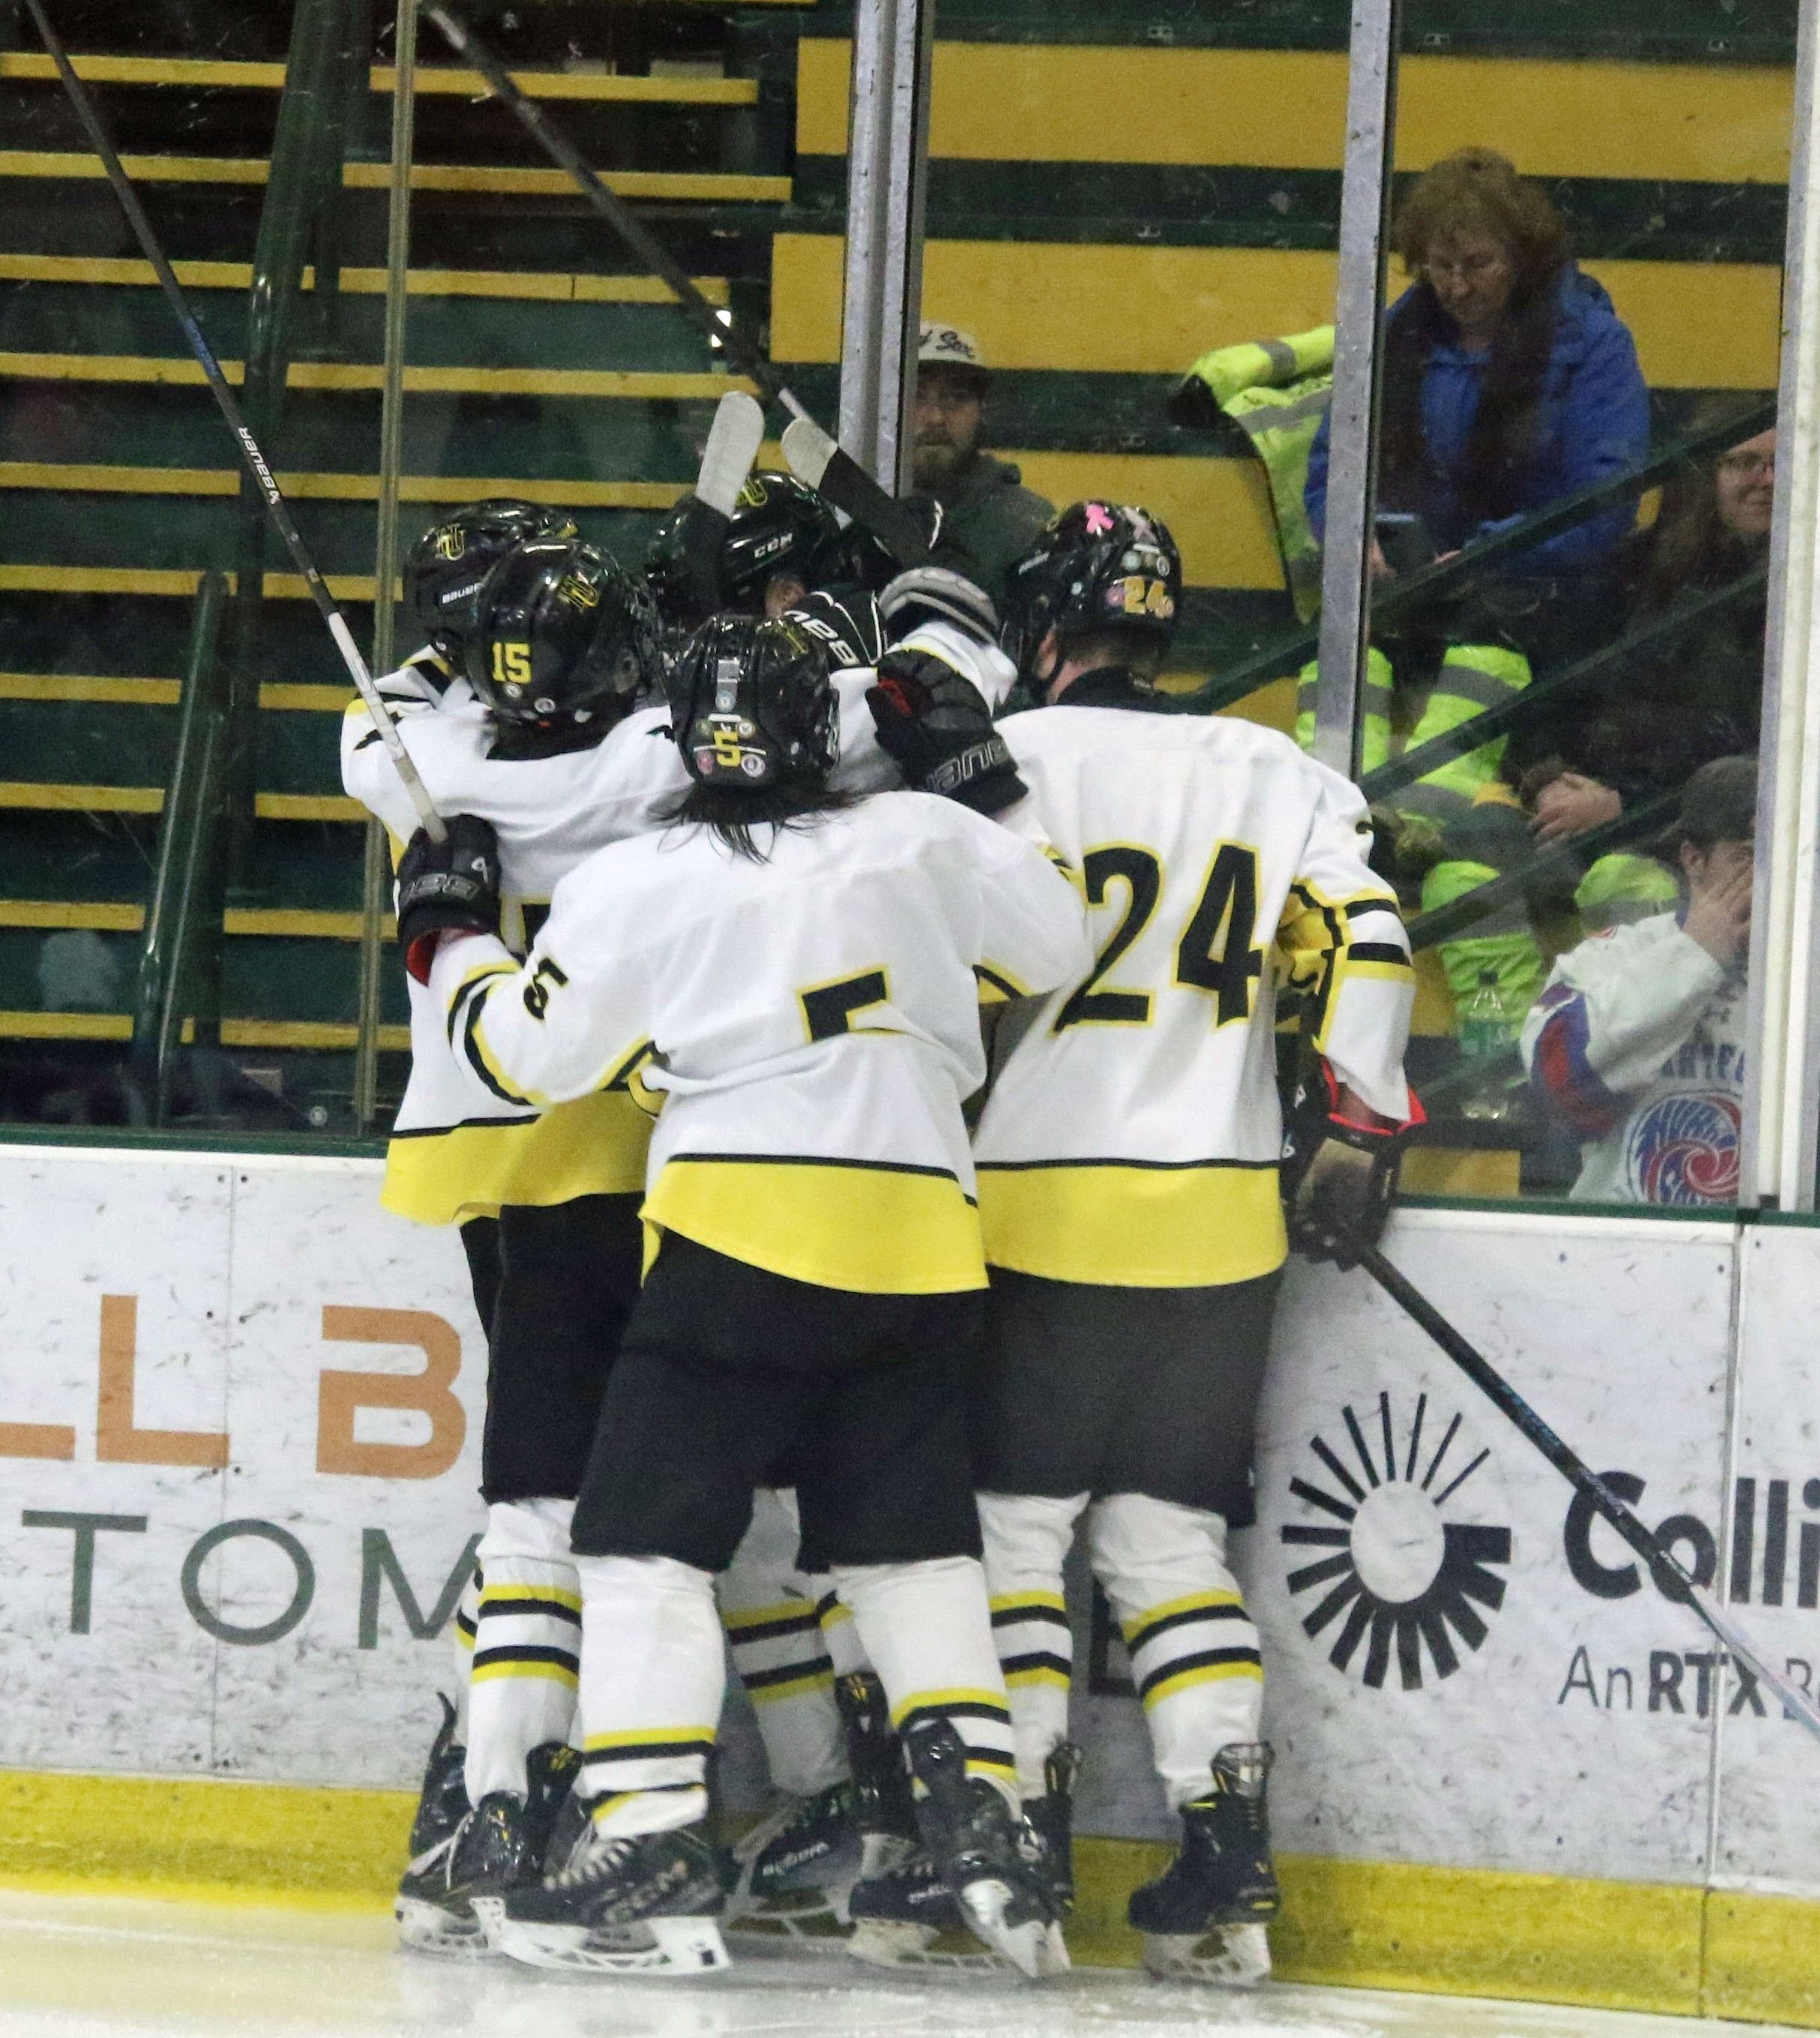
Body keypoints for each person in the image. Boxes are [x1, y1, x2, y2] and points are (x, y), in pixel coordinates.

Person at [407, 613, 1091, 1977]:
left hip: (741, 1230)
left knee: (640, 1546)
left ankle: (651, 1827)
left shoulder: (636, 875)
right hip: (921, 1231)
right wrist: (967, 768)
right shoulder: (916, 835)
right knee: (907, 1544)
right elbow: (1059, 939)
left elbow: (531, 1062)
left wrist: (454, 937)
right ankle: (982, 1815)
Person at [917, 501, 1417, 1986]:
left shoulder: (999, 766)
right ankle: (1224, 1863)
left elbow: (950, 978)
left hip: (1036, 1206)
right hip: (1216, 1213)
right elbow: (1373, 939)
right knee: (1169, 1541)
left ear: (1047, 630)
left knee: (1015, 1532)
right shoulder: (1270, 767)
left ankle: (1020, 1856)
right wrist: (1366, 1123)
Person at [1302, 148, 1651, 1026]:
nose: (1457, 287)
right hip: (1411, 585)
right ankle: (1321, 808)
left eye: (1478, 265)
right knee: (1343, 641)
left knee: (1485, 637)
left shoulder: (1592, 342)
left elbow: (1608, 501)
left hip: (1538, 589)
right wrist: (1359, 540)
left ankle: (1416, 819)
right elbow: (1328, 469)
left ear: (1524, 256)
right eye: (1440, 268)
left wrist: (1497, 553)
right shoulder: (1392, 336)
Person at [1524, 407, 1773, 921]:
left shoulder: (1796, 598)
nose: (1764, 481)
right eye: (1744, 462)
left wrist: (1624, 808)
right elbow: (1569, 692)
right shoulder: (1641, 571)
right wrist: (1550, 779)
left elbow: (1749, 749)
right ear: (1707, 477)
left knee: (1621, 883)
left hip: (1698, 836)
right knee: (1461, 872)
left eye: (1781, 463)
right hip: (1593, 800)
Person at [1521, 756, 1754, 1207]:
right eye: (1746, 857)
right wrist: (1695, 954)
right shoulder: (1611, 954)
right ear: (1694, 860)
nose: (1767, 880)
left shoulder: (1803, 974)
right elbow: (1558, 1085)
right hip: (1620, 1251)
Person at [910, 322, 1054, 605]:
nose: (935, 417)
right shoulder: (849, 515)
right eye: (916, 396)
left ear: (982, 411)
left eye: (957, 399)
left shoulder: (1028, 528)